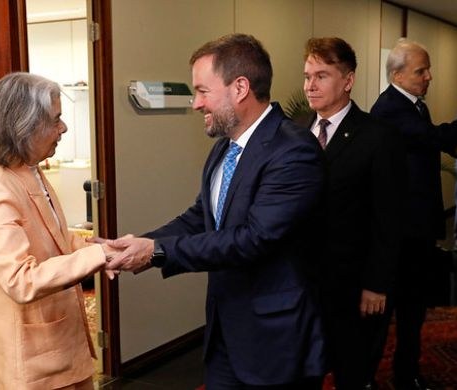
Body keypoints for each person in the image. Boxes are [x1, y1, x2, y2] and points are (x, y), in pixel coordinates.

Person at [105, 34, 327, 389]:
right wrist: (146, 243)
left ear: (240, 87)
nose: (195, 104)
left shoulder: (293, 151)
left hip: (274, 341)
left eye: (202, 91)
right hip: (225, 331)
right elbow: (200, 217)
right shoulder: (224, 147)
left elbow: (253, 239)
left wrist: (158, 252)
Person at [0, 72, 114, 389]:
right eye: (55, 119)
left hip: (58, 347)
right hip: (30, 361)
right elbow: (20, 280)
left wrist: (99, 249)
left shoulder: (28, 170)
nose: (63, 128)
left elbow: (54, 237)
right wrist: (94, 256)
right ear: (23, 125)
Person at [368, 40, 457, 390]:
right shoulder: (390, 109)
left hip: (415, 230)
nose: (429, 76)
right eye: (421, 71)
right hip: (400, 234)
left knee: (412, 309)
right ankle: (369, 379)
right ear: (397, 74)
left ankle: (407, 375)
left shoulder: (413, 105)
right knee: (390, 312)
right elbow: (436, 138)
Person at [302, 37, 406, 390]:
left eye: (321, 76)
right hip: (303, 284)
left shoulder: (378, 136)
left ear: (347, 81)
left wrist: (377, 284)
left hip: (353, 284)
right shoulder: (295, 134)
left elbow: (388, 218)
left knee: (353, 372)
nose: (310, 86)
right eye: (306, 76)